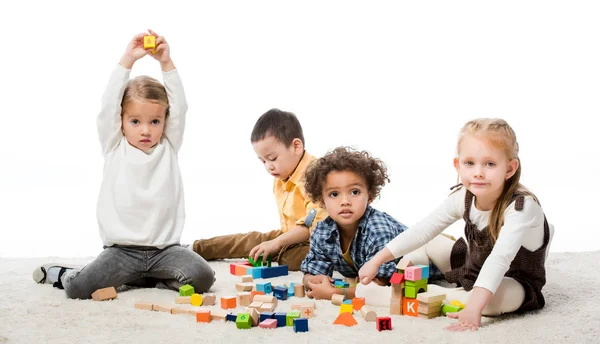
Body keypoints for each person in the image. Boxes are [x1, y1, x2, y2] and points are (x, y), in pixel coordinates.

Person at [32, 30, 215, 299]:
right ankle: (63, 273)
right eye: (135, 121)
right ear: (122, 120)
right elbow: (108, 105)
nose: (146, 130)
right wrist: (127, 60)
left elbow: (181, 107)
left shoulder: (169, 145)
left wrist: (166, 62)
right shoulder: (114, 144)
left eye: (154, 121)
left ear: (164, 121)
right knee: (78, 289)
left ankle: (148, 279)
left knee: (203, 277)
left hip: (165, 250)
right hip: (121, 252)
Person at [359, 118, 552, 331]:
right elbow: (423, 230)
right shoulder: (464, 196)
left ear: (509, 168)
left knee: (492, 301)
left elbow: (500, 259)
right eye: (470, 163)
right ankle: (410, 278)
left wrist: (474, 309)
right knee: (429, 242)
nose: (478, 172)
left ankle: (429, 297)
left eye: (490, 164)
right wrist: (376, 261)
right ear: (457, 165)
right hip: (474, 266)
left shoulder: (521, 207)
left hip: (513, 280)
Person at [191, 109, 328, 271]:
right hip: (290, 235)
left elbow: (313, 226)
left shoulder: (315, 174)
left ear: (296, 147)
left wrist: (277, 243)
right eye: (263, 161)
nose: (268, 167)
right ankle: (195, 248)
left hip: (317, 241)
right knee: (252, 240)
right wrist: (274, 242)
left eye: (272, 159)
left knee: (288, 257)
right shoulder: (282, 176)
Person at [300, 147, 408, 300]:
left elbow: (381, 284)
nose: (345, 202)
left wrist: (335, 293)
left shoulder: (377, 229)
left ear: (369, 196)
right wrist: (312, 280)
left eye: (355, 192)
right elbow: (314, 269)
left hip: (429, 253)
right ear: (322, 201)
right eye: (334, 194)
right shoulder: (322, 231)